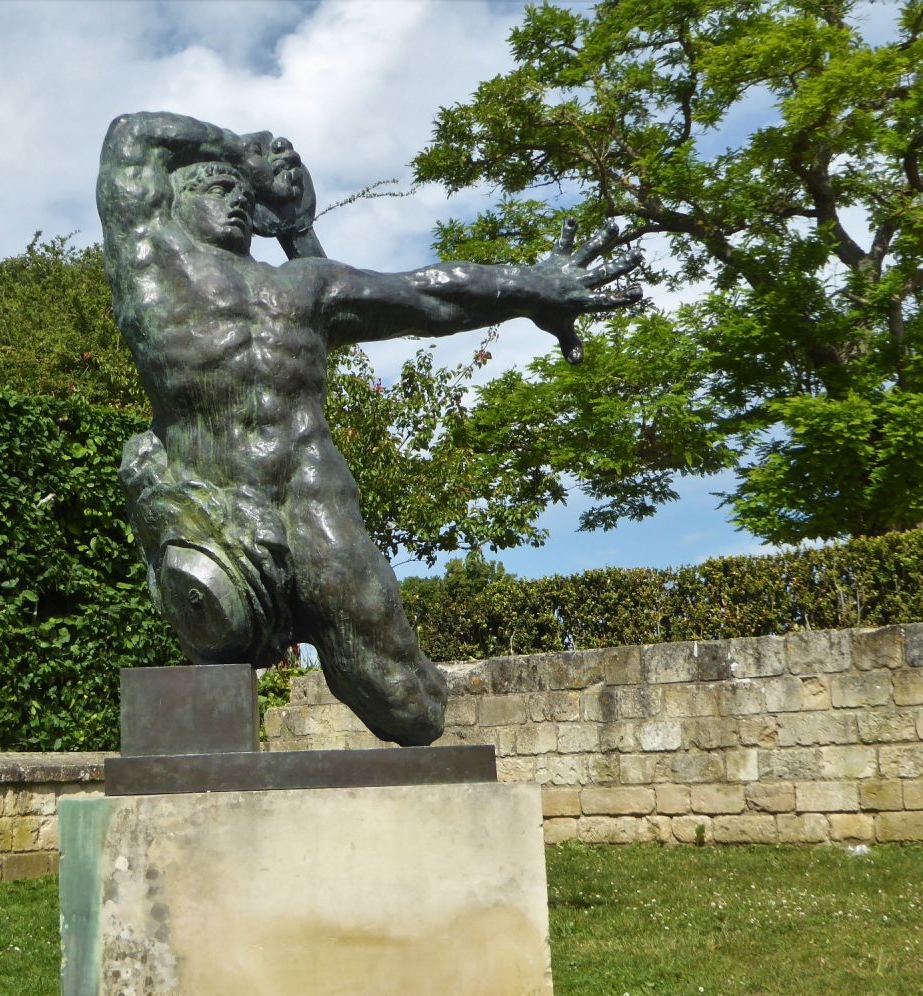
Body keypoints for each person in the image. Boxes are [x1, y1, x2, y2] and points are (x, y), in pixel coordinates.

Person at [98, 112, 642, 746]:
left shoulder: (304, 285)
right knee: (211, 630)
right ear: (172, 198)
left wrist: (532, 288)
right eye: (219, 189)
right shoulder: (152, 264)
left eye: (246, 196)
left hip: (311, 495)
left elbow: (425, 295)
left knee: (409, 707)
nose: (239, 202)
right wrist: (249, 157)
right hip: (214, 502)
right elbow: (131, 135)